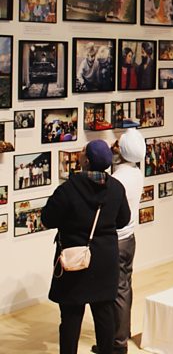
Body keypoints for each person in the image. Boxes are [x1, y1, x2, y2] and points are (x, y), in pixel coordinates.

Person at [41, 139, 131, 354]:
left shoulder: (68, 189)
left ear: (87, 161)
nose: (80, 153)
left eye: (83, 151)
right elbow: (123, 220)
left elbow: (47, 219)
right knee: (104, 314)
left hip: (75, 260)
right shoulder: (116, 188)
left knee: (71, 317)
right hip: (105, 261)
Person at [92, 129, 145, 354]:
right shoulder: (136, 173)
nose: (114, 146)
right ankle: (121, 333)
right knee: (124, 287)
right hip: (129, 237)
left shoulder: (118, 180)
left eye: (117, 144)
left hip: (117, 239)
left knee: (115, 291)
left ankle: (117, 342)